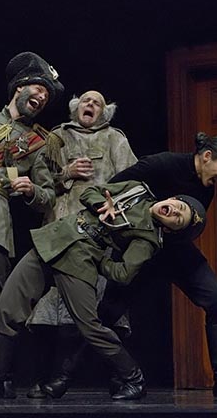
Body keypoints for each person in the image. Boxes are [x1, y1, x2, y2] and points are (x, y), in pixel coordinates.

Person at [0, 180, 205, 401]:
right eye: (179, 207)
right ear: (173, 198)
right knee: (6, 309)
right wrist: (103, 204)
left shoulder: (149, 238)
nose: (174, 212)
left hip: (80, 260)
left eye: (178, 219)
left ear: (171, 229)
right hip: (56, 239)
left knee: (90, 327)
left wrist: (99, 260)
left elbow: (123, 274)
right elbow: (89, 192)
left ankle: (134, 379)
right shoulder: (136, 190)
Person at [101, 132, 217, 399]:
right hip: (142, 248)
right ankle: (105, 377)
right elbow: (111, 188)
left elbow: (192, 226)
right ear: (207, 156)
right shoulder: (162, 164)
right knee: (107, 311)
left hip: (175, 250)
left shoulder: (206, 185)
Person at [0, 51, 64, 398]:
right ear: (19, 87)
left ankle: (2, 379)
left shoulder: (37, 142)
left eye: (47, 95)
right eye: (38, 87)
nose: (42, 96)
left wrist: (32, 190)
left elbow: (48, 193)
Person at [26, 90, 137, 399]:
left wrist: (113, 207)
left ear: (104, 113)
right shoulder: (56, 137)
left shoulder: (115, 139)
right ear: (75, 108)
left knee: (96, 310)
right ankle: (48, 376)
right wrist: (67, 172)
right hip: (57, 233)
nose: (90, 105)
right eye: (86, 101)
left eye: (98, 103)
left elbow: (133, 183)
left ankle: (112, 376)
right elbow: (41, 180)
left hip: (96, 237)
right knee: (52, 311)